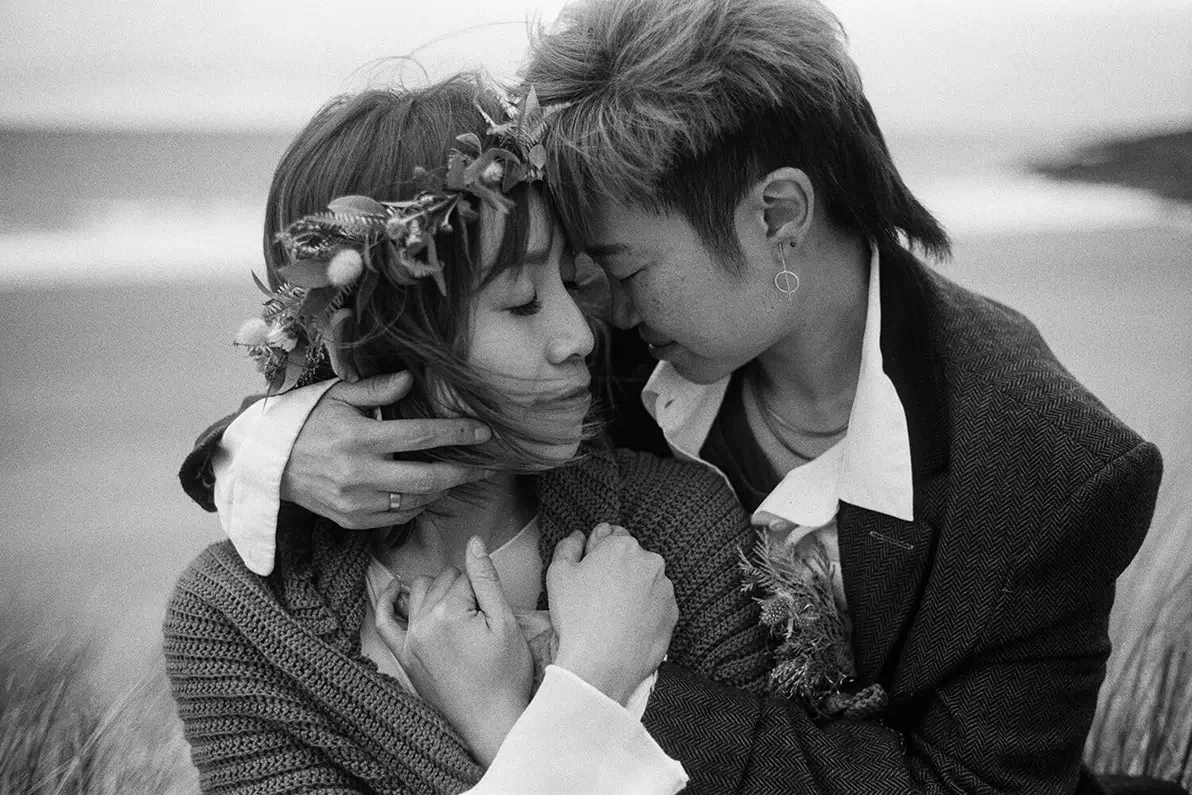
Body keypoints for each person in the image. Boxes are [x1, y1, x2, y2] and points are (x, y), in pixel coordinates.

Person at [179, 0, 1166, 792]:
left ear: (777, 215)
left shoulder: (1049, 478)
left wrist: (574, 698)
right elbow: (415, 332)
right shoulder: (618, 330)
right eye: (562, 277)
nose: (587, 316)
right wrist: (265, 439)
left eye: (609, 267)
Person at [164, 73, 774, 794]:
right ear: (362, 338)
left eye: (571, 286)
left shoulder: (678, 533)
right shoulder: (238, 621)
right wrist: (582, 690)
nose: (577, 335)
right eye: (521, 301)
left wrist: (504, 725)